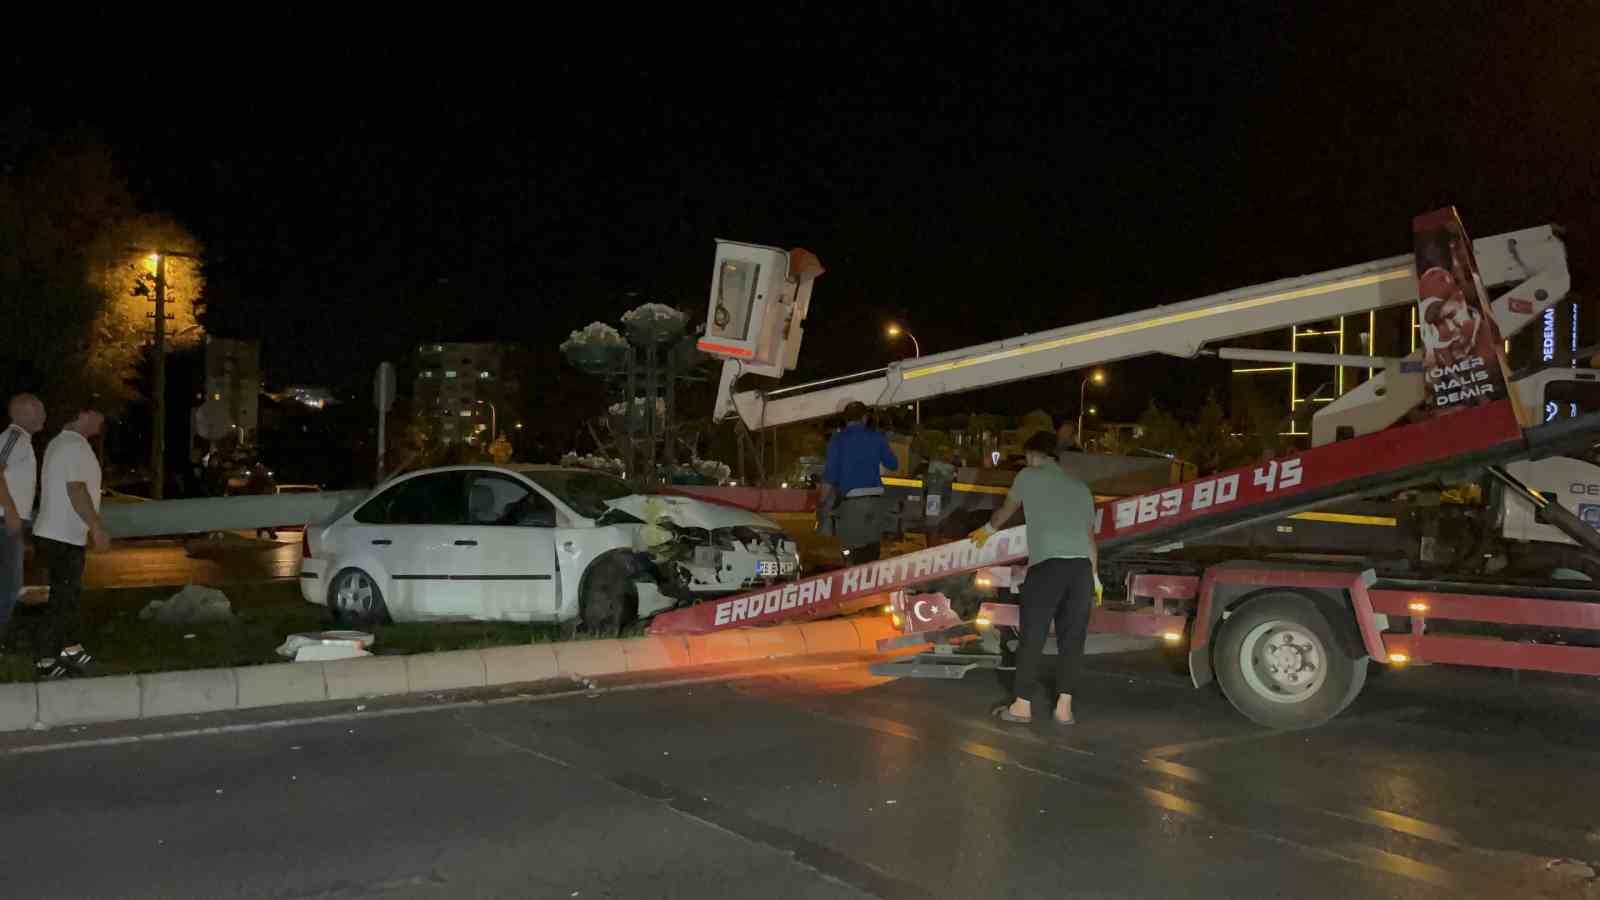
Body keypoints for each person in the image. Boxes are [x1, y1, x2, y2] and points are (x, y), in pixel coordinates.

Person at [970, 431, 1099, 726]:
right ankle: (1064, 708)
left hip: (1048, 568)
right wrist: (1096, 579)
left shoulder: (1029, 475)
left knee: (1033, 635)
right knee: (1072, 639)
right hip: (1080, 570)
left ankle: (1021, 706)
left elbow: (1007, 510)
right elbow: (1090, 538)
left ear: (1032, 454)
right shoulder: (1080, 487)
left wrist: (986, 531)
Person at [32, 407, 109, 679]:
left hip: (59, 534)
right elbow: (76, 489)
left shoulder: (62, 443)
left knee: (69, 596)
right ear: (83, 414)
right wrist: (97, 527)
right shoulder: (71, 445)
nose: (102, 421)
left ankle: (71, 648)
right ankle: (45, 660)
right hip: (60, 535)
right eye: (99, 415)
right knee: (63, 599)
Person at [820, 401, 899, 563]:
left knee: (852, 551)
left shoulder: (838, 440)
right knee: (872, 549)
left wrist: (822, 502)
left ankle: (855, 583)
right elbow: (893, 464)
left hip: (852, 503)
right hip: (876, 501)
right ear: (864, 418)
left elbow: (830, 476)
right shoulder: (877, 436)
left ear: (845, 419)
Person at [0, 394, 45, 647]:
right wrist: (11, 511)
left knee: (8, 583)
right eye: (37, 410)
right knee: (9, 584)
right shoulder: (14, 438)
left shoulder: (21, 441)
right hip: (5, 522)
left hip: (8, 521)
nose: (42, 416)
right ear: (20, 413)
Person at [245, 462, 278, 539]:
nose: (259, 470)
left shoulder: (265, 477)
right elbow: (248, 488)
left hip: (264, 500)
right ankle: (265, 532)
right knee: (262, 517)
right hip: (259, 500)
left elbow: (272, 486)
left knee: (265, 517)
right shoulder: (253, 478)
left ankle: (267, 532)